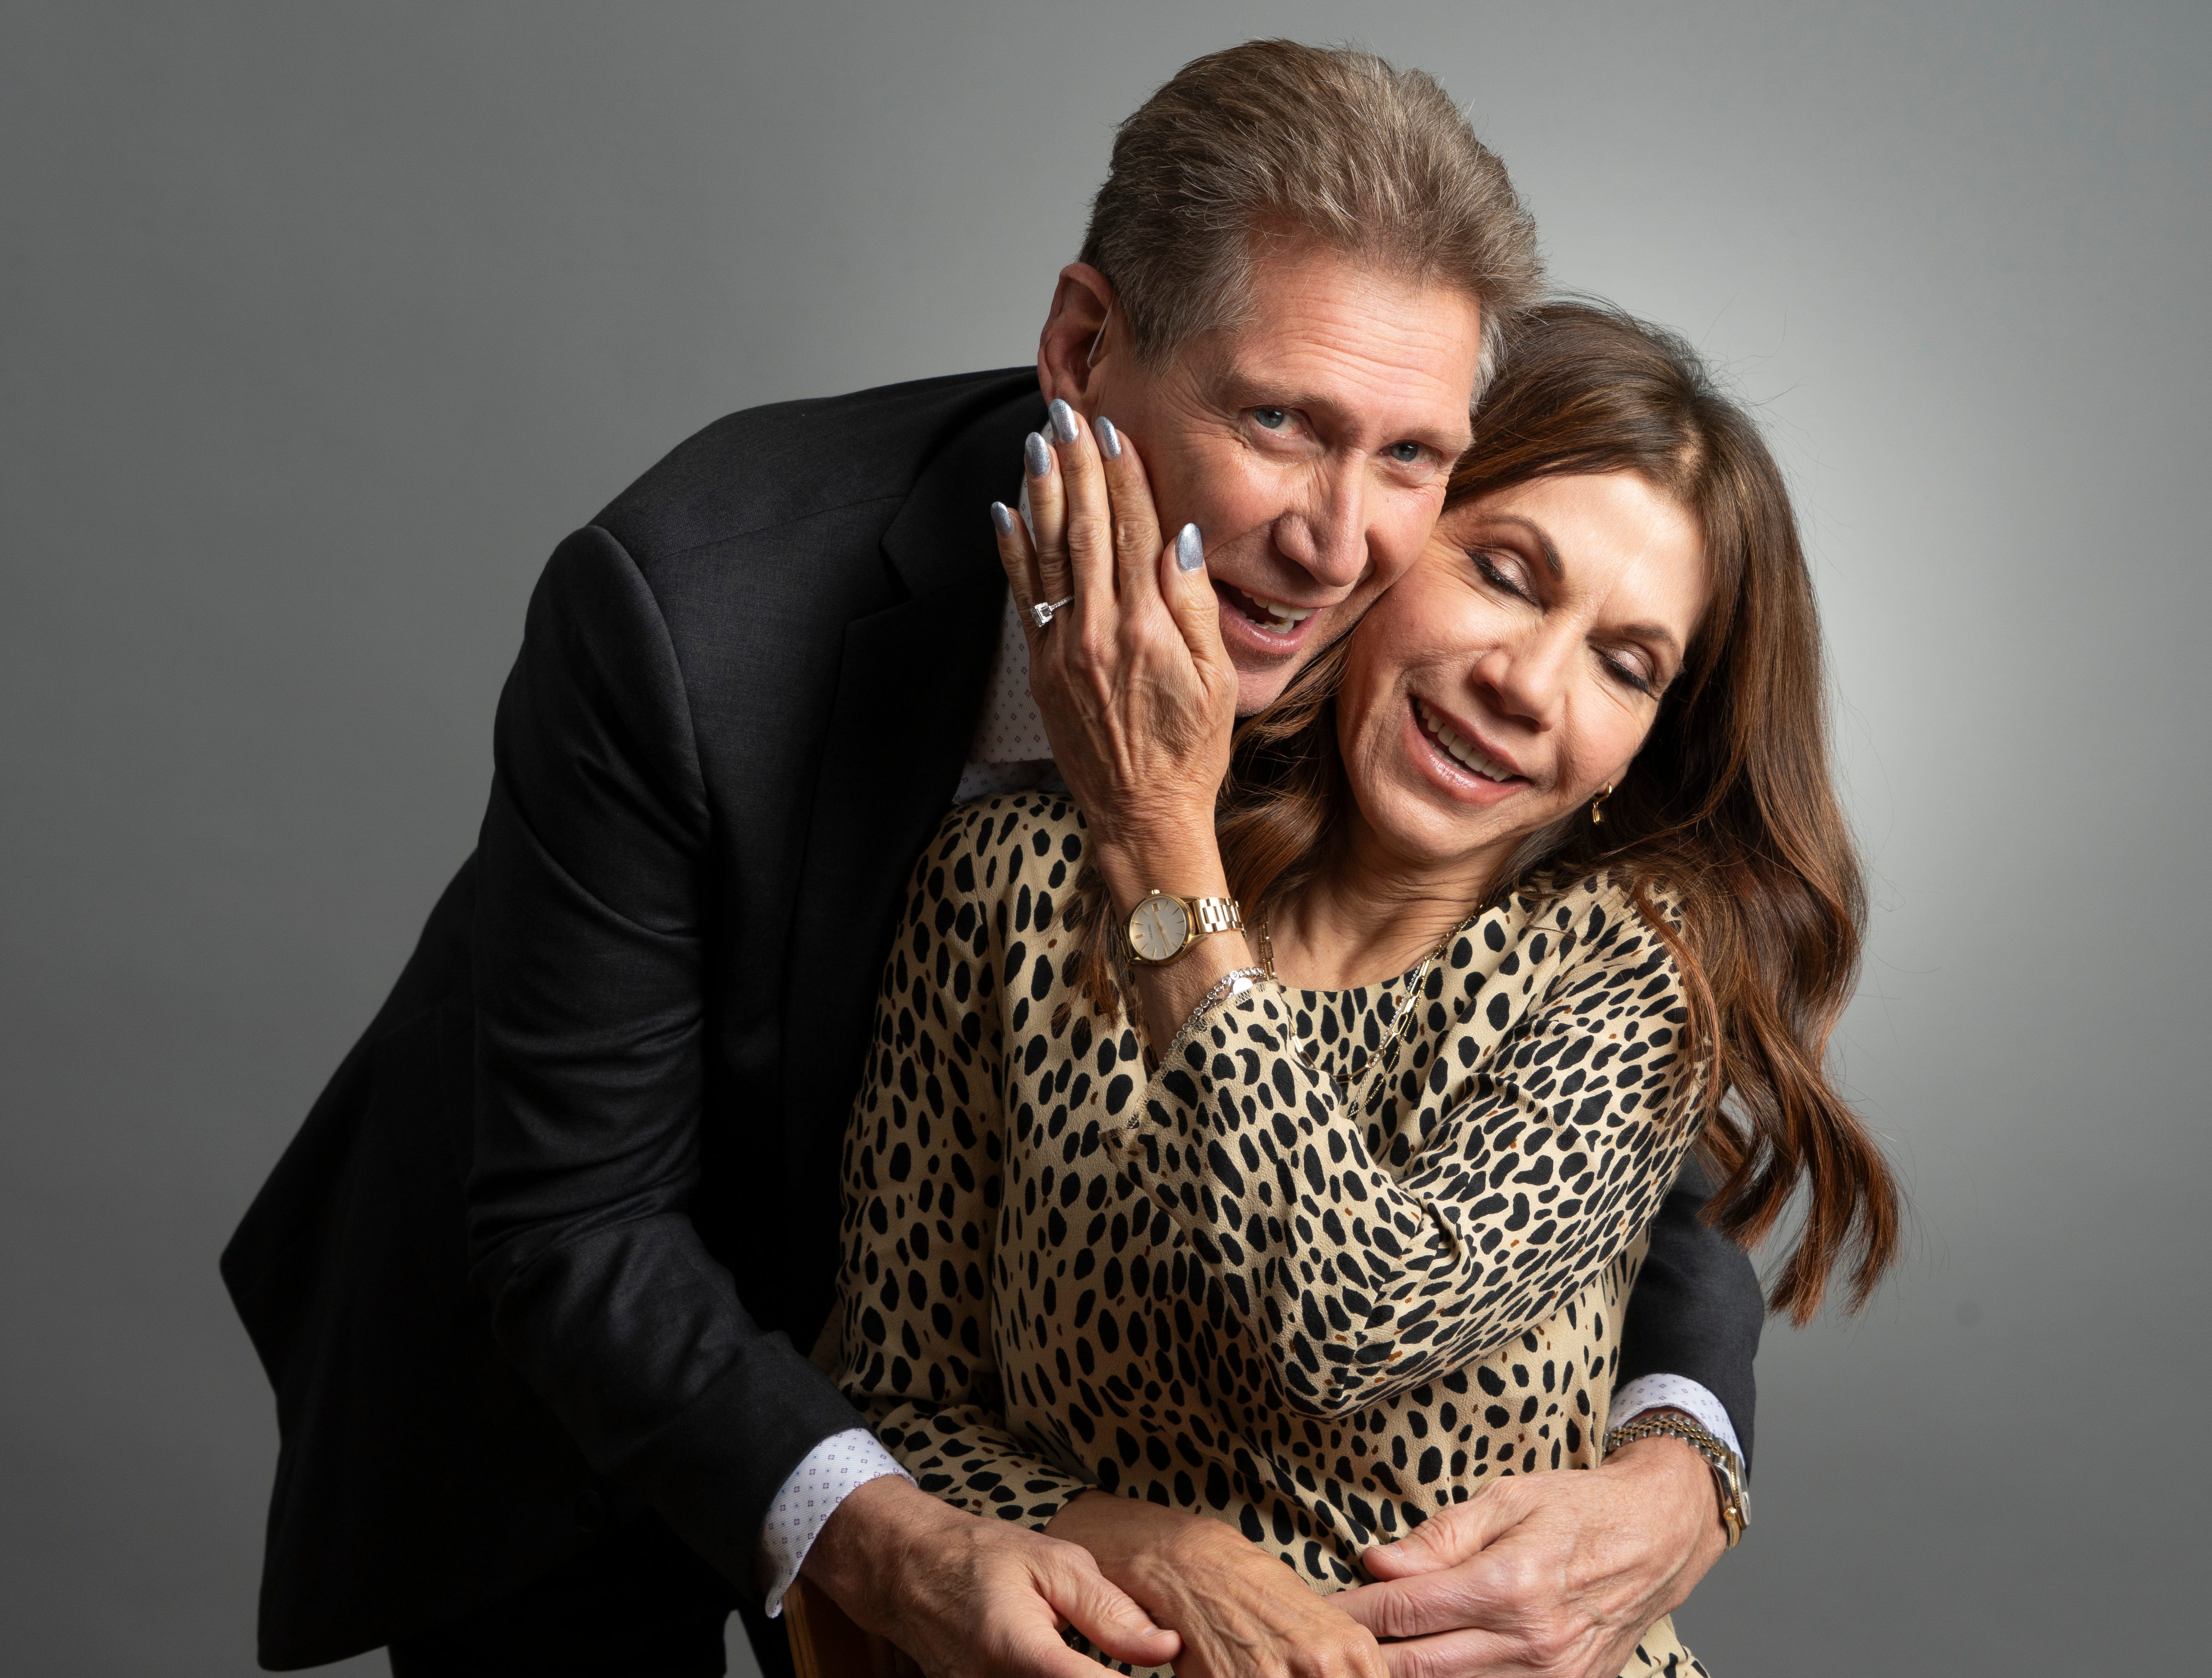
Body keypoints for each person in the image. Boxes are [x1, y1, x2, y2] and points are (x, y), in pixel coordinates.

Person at [221, 42, 1765, 1678]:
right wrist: (900, 1529)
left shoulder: (1397, 638)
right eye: (1276, 420)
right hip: (585, 1348)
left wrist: (1685, 1459)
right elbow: (577, 1218)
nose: (1336, 542)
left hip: (1004, 1412)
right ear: (1085, 349)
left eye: (1410, 456)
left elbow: (1609, 1131)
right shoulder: (690, 608)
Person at [817, 302, 1902, 1678]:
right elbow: (895, 1405)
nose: (1528, 684)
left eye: (1624, 666)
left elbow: (1351, 1312)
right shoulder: (1009, 887)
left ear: (1645, 744)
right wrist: (1148, 1549)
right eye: (1505, 575)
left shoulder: (1636, 968)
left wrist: (1161, 847)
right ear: (1385, 544)